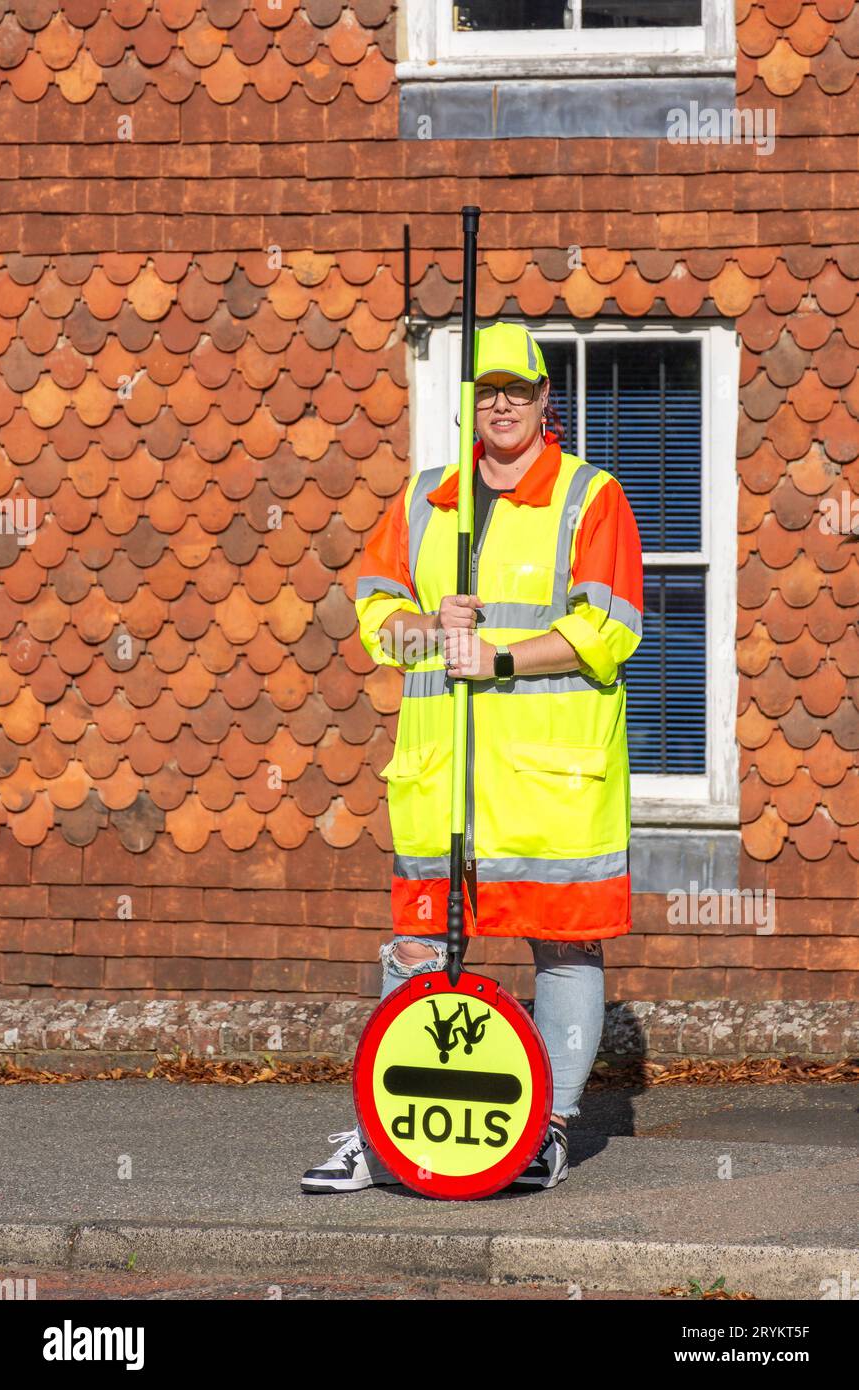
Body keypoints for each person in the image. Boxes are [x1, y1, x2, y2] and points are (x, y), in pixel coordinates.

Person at [302, 321, 643, 1194]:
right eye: (487, 391)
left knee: (563, 948)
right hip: (440, 777)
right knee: (416, 945)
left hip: (550, 783)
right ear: (467, 405)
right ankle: (388, 1134)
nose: (502, 405)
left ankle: (549, 1128)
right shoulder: (424, 502)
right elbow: (376, 617)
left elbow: (609, 629)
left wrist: (492, 654)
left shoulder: (588, 497)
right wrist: (426, 630)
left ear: (544, 401)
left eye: (518, 391)